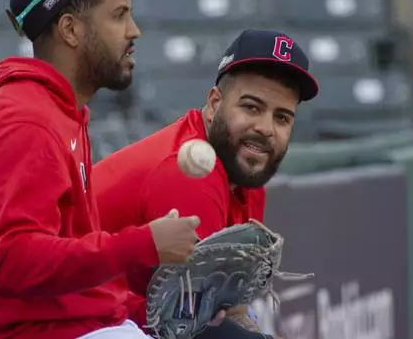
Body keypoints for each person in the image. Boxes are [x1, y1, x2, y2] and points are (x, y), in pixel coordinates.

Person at [0, 0, 204, 338]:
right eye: (119, 15)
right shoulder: (22, 120)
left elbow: (83, 294)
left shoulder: (59, 112)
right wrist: (143, 244)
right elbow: (13, 262)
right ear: (71, 30)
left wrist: (168, 310)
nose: (134, 31)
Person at [92, 29, 320, 338]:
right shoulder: (190, 173)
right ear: (214, 104)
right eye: (251, 107)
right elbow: (189, 326)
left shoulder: (244, 173)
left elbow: (229, 309)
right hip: (64, 322)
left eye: (282, 118)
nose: (266, 128)